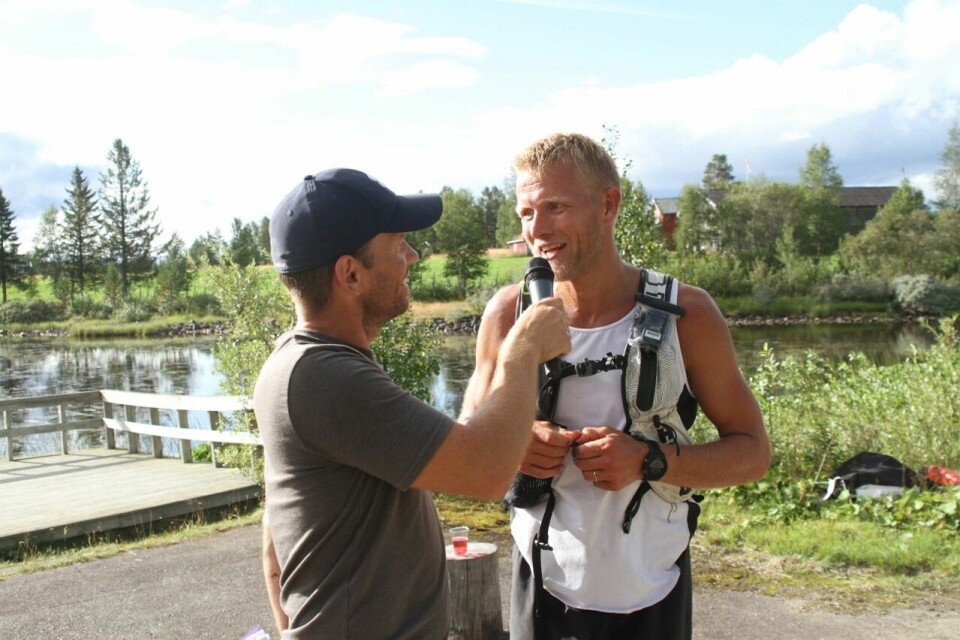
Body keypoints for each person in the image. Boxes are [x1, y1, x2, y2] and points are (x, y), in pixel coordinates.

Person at [460, 133, 770, 640]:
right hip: (540, 589)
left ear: (609, 204)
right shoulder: (505, 315)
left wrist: (651, 460)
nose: (537, 231)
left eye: (555, 207)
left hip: (653, 591)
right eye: (526, 212)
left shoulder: (687, 314)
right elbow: (470, 441)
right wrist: (515, 446)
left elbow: (753, 453)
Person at [253, 167, 570, 639]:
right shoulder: (326, 377)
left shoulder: (302, 361)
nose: (414, 257)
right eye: (398, 247)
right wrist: (522, 348)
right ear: (351, 274)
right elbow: (486, 472)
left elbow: (275, 533)